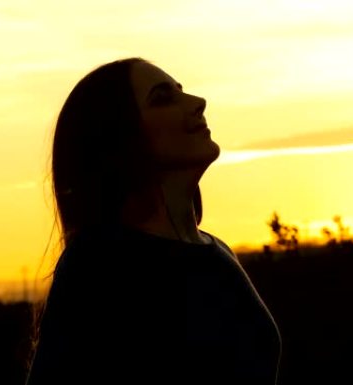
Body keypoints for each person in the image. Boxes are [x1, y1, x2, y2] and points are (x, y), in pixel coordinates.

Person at [26, 58, 282, 384]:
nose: (198, 103)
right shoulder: (99, 264)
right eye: (162, 98)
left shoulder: (217, 252)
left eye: (181, 91)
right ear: (118, 138)